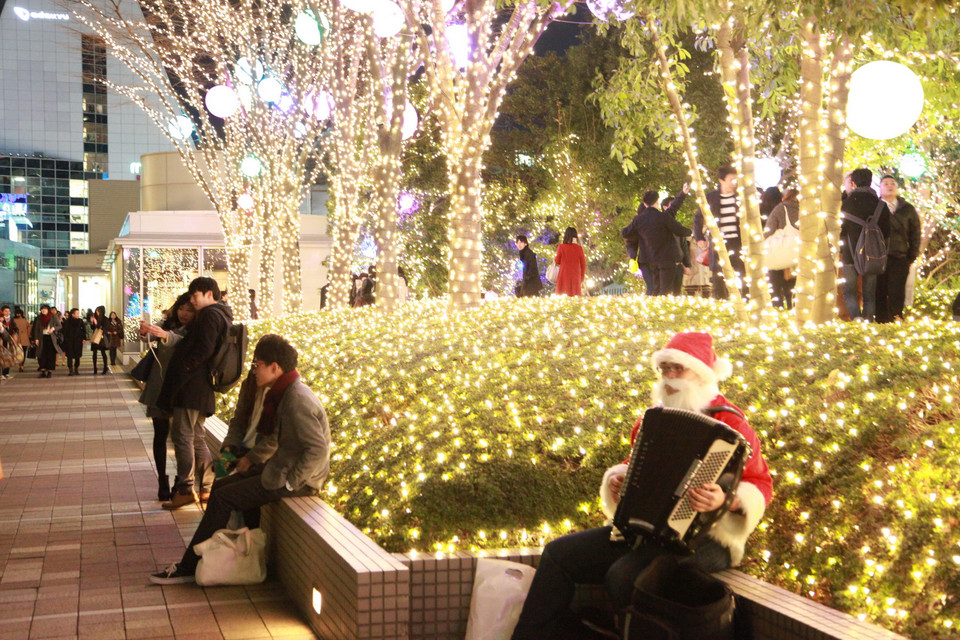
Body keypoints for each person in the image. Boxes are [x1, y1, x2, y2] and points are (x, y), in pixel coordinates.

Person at [511, 332, 773, 640]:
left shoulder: (733, 424)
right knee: (558, 554)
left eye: (678, 368)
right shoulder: (654, 419)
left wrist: (727, 499)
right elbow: (636, 464)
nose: (669, 377)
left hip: (707, 538)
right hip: (647, 532)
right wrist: (620, 480)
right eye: (665, 368)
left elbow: (761, 483)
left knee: (624, 576)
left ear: (702, 374)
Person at [149, 334, 331, 585]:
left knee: (223, 496)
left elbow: (318, 450)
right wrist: (234, 452)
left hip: (296, 479)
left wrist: (291, 483)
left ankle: (189, 567)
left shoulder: (296, 398)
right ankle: (216, 561)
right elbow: (249, 426)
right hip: (278, 468)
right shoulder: (283, 391)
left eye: (258, 365)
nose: (253, 370)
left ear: (275, 367)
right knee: (221, 488)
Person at [156, 277, 232, 509]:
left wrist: (185, 368)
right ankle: (206, 487)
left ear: (209, 294)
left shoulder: (210, 315)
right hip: (201, 387)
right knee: (197, 437)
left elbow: (204, 348)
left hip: (191, 387)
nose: (192, 300)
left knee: (183, 437)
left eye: (195, 295)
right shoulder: (221, 314)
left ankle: (186, 489)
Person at [139, 293, 197, 501]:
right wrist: (145, 332)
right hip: (159, 385)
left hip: (181, 389)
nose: (184, 313)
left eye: (189, 310)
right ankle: (162, 481)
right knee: (160, 434)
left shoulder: (196, 329)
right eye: (181, 308)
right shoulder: (167, 323)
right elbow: (152, 337)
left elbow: (181, 342)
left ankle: (181, 482)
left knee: (182, 438)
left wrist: (165, 335)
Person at [840, 168, 890, 322]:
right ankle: (868, 320)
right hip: (872, 254)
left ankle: (857, 319)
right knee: (869, 293)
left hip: (849, 253)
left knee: (849, 291)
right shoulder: (881, 205)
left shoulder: (846, 204)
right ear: (870, 182)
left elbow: (841, 231)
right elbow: (887, 232)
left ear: (853, 183)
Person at [694, 166, 746, 300]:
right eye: (731, 179)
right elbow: (698, 217)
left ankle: (745, 301)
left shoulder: (740, 198)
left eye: (735, 180)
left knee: (743, 273)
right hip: (719, 243)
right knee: (718, 275)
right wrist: (699, 237)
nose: (734, 183)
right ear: (721, 180)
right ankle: (720, 301)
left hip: (738, 242)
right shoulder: (711, 197)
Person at [875, 175, 921, 323]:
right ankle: (880, 321)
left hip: (900, 256)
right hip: (877, 256)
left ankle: (896, 319)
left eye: (893, 183)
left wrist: (912, 256)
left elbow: (915, 233)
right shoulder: (875, 207)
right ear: (880, 188)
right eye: (886, 183)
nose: (890, 186)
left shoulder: (907, 209)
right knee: (879, 290)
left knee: (897, 290)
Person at [635, 185, 691, 296]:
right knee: (660, 291)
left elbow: (674, 207)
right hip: (658, 261)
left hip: (668, 261)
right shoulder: (657, 219)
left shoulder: (662, 218)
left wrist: (683, 193)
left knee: (666, 292)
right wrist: (689, 232)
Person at [764, 188, 800, 309]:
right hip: (797, 254)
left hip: (779, 252)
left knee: (775, 283)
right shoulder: (806, 211)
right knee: (792, 284)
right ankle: (792, 307)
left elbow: (769, 229)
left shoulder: (780, 208)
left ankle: (777, 307)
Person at [622, 204, 657, 294]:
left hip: (656, 259)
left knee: (656, 286)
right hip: (644, 260)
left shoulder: (655, 225)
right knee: (652, 286)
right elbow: (630, 243)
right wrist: (633, 255)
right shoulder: (636, 226)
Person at [31, 305, 62, 378]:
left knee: (51, 355)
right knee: (41, 355)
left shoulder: (53, 317)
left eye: (45, 309)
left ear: (48, 310)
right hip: (41, 338)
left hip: (51, 339)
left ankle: (49, 372)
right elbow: (36, 329)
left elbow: (59, 326)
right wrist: (36, 338)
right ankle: (43, 371)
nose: (43, 310)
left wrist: (53, 328)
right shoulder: (39, 318)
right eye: (42, 309)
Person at [554, 227, 587, 296]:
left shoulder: (561, 247)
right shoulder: (579, 248)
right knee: (575, 298)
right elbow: (583, 265)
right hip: (575, 277)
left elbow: (557, 261)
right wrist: (581, 278)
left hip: (563, 276)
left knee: (563, 298)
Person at [62, 309, 87, 376]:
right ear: (72, 314)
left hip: (78, 341)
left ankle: (76, 368)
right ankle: (70, 369)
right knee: (69, 356)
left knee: (77, 356)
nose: (78, 315)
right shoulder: (67, 322)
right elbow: (64, 331)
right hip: (69, 341)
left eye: (78, 313)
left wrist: (84, 338)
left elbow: (84, 330)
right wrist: (66, 339)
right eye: (77, 313)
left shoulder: (80, 321)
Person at [88, 305, 110, 374]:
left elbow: (105, 329)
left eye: (98, 311)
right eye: (96, 310)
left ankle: (105, 368)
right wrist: (92, 322)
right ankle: (95, 368)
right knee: (94, 353)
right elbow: (93, 328)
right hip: (95, 337)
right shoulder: (95, 318)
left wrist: (97, 324)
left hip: (101, 338)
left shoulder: (105, 319)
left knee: (103, 353)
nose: (97, 312)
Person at [0, 305, 17, 379]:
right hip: (1, 341)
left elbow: (16, 328)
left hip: (9, 341)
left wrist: (15, 334)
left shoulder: (11, 320)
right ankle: (1, 374)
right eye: (6, 311)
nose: (7, 313)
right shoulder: (1, 320)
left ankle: (6, 373)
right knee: (2, 357)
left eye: (9, 311)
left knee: (8, 356)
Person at [12, 308, 29, 372]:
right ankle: (21, 365)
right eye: (17, 313)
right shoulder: (24, 320)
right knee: (21, 351)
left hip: (21, 337)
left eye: (19, 313)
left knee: (21, 351)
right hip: (20, 337)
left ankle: (21, 365)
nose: (18, 315)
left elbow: (29, 328)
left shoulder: (14, 320)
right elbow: (29, 328)